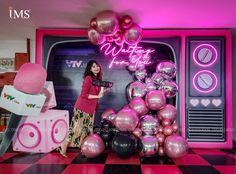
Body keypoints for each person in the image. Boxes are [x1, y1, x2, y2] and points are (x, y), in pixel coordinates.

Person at [57, 60, 107, 157]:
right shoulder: (88, 78)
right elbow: (84, 95)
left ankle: (85, 148)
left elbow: (97, 94)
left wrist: (104, 91)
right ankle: (63, 146)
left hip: (91, 108)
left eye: (97, 66)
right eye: (93, 66)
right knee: (75, 128)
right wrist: (98, 96)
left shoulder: (98, 79)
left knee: (86, 130)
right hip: (82, 107)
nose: (96, 68)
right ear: (90, 69)